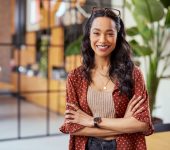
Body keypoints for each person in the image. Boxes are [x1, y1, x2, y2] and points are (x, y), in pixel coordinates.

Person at [60, 7, 153, 150]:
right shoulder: (75, 77)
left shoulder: (134, 74)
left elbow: (143, 123)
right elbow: (73, 126)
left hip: (125, 146)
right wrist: (125, 123)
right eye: (96, 33)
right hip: (87, 146)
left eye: (110, 33)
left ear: (118, 36)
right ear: (89, 36)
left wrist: (92, 121)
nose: (102, 40)